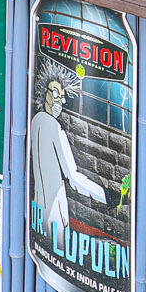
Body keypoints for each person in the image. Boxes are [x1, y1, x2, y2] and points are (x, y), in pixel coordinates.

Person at [29, 77, 107, 236]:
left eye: (62, 96)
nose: (60, 101)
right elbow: (73, 176)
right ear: (45, 93)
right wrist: (106, 196)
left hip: (37, 207)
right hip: (54, 210)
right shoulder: (54, 127)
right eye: (55, 94)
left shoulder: (36, 120)